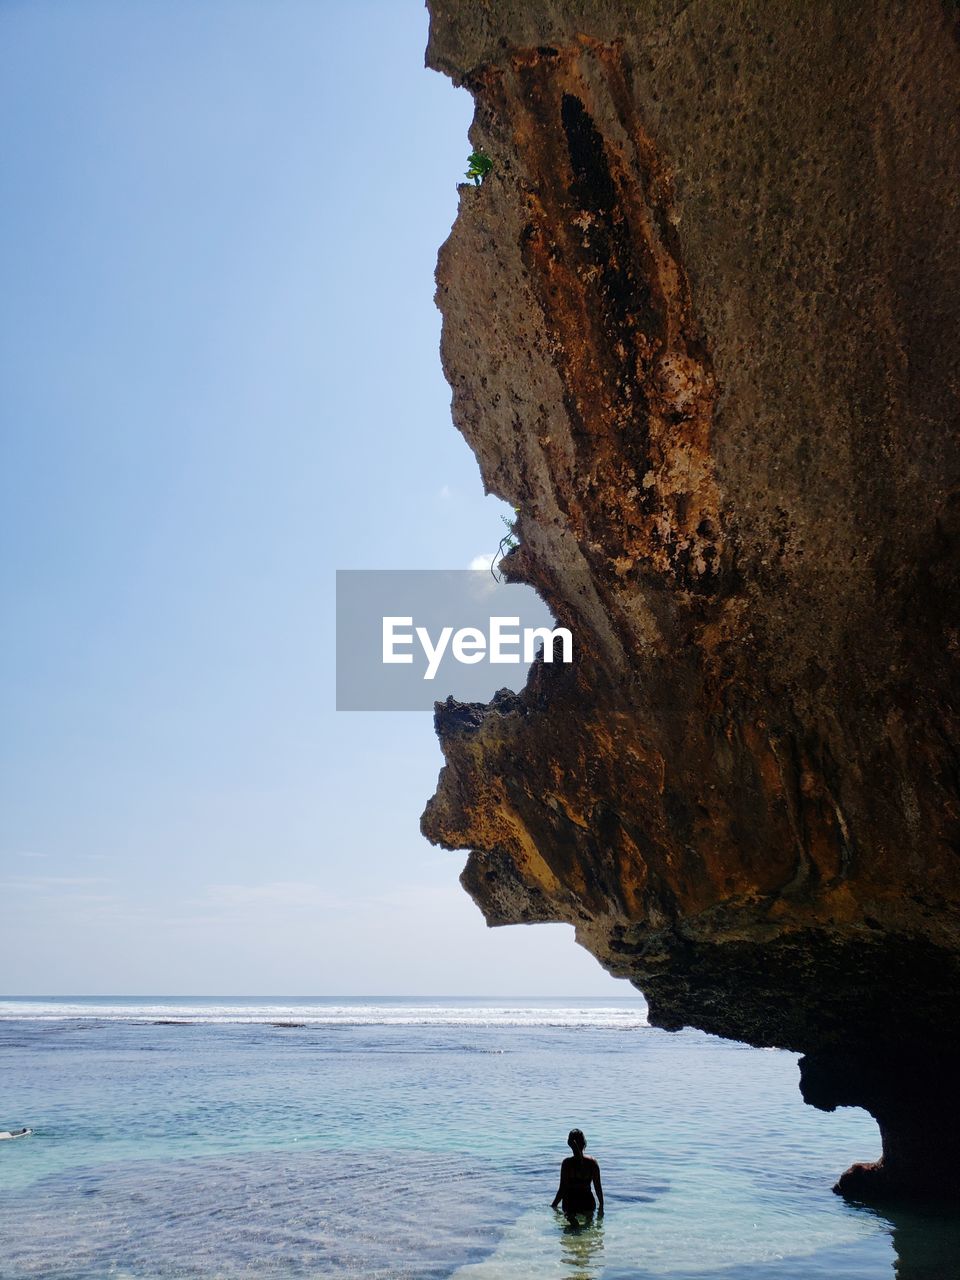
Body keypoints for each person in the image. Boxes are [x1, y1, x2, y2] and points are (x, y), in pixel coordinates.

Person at [551, 1128, 603, 1219]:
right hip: (587, 1203)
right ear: (584, 1143)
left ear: (569, 1144)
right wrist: (601, 1206)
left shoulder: (567, 1163)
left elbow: (562, 1189)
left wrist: (554, 1205)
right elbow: (598, 1187)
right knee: (589, 1229)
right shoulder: (592, 1163)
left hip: (570, 1204)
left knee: (571, 1230)